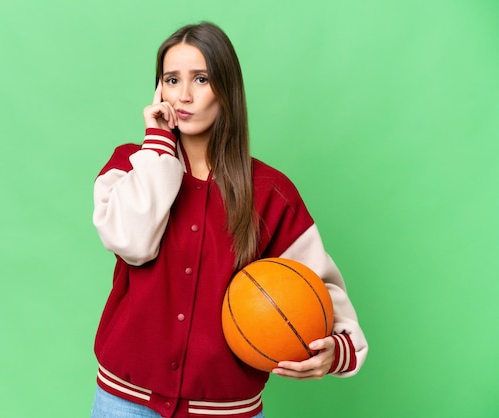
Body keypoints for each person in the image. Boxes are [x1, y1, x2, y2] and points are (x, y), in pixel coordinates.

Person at [90, 22, 368, 418]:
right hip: (124, 403)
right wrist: (158, 143)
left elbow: (318, 286)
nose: (183, 95)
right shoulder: (130, 166)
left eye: (201, 79)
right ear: (159, 91)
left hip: (226, 410)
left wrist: (338, 350)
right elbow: (133, 243)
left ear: (227, 90)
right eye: (172, 80)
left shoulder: (272, 193)